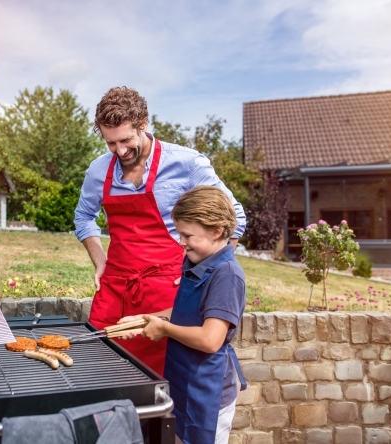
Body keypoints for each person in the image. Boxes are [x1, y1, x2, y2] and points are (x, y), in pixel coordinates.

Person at [74, 86, 246, 376]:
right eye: (111, 143)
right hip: (115, 288)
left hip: (168, 289)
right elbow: (84, 217)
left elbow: (235, 218)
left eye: (126, 140)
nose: (120, 151)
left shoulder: (187, 163)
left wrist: (205, 275)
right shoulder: (97, 171)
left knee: (163, 379)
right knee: (101, 370)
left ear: (143, 124)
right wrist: (100, 261)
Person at [118, 185, 247, 444]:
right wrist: (148, 318)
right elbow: (188, 312)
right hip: (183, 379)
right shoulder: (198, 261)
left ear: (216, 232)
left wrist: (163, 329)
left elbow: (211, 339)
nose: (181, 242)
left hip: (207, 390)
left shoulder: (226, 275)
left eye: (188, 235)